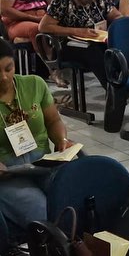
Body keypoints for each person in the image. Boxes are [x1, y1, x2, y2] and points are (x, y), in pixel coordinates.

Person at [0, 39, 75, 252]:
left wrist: (61, 140)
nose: (3, 77)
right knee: (43, 214)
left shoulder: (34, 84)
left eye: (8, 68)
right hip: (8, 173)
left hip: (43, 163)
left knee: (73, 200)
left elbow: (53, 121)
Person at [38, 0, 123, 89]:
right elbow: (43, 26)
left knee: (116, 48)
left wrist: (116, 26)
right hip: (69, 45)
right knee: (94, 53)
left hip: (98, 39)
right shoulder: (62, 1)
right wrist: (78, 31)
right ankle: (113, 88)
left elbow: (116, 15)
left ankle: (125, 81)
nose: (93, 0)